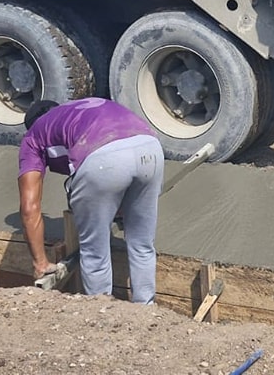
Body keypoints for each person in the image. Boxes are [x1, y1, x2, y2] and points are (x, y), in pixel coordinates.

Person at [18, 98, 164, 304]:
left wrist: (40, 262)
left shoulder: (34, 135)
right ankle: (145, 309)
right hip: (150, 148)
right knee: (142, 245)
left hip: (104, 158)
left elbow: (29, 208)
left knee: (95, 254)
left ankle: (102, 314)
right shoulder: (78, 110)